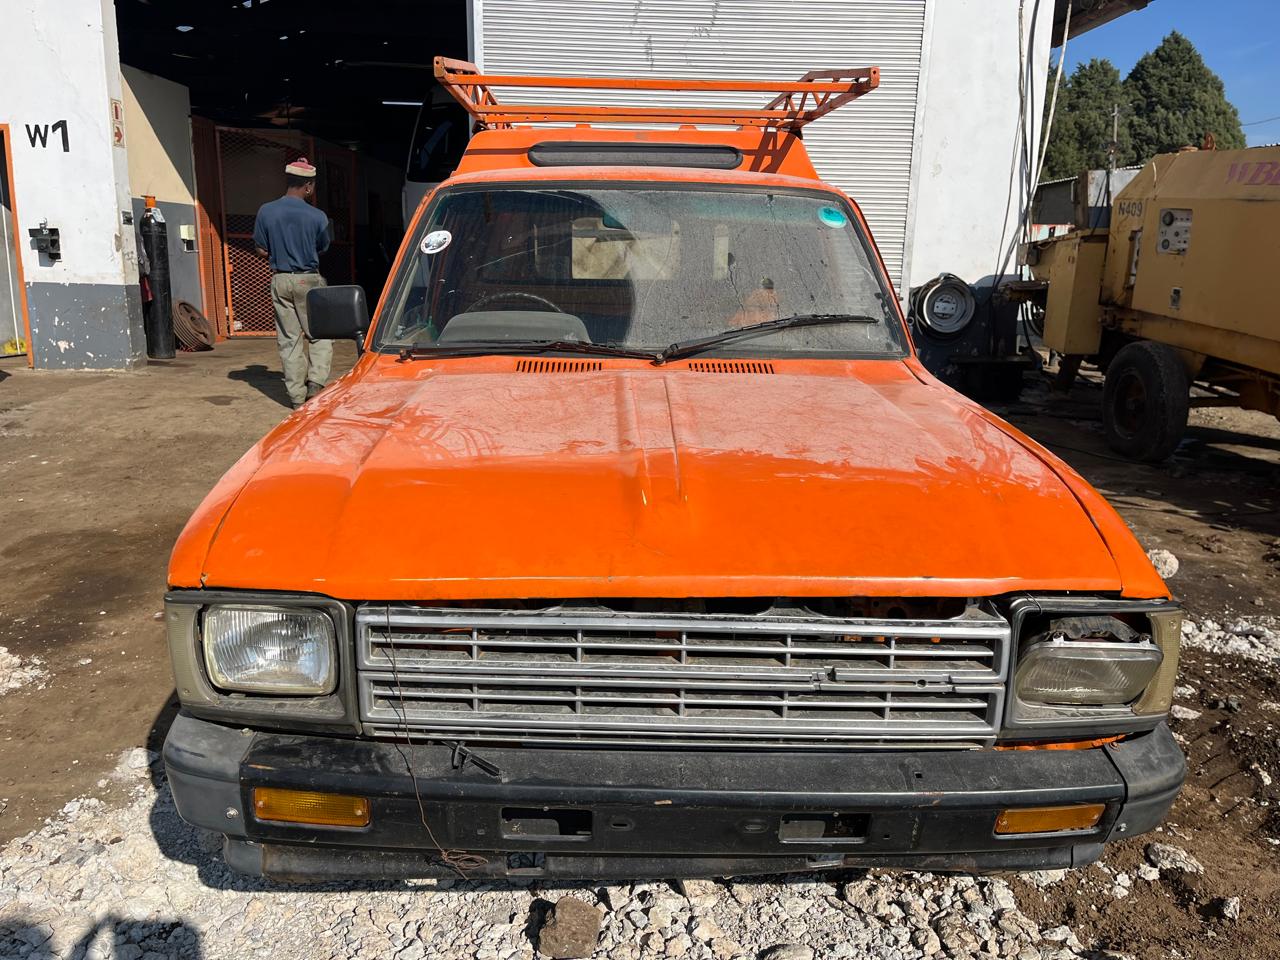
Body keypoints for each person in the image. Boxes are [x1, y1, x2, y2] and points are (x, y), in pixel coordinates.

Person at [253, 157, 332, 408]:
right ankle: (316, 384)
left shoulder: (266, 211)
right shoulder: (318, 216)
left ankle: (297, 399)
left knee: (290, 339)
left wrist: (278, 251)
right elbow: (322, 247)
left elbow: (261, 249)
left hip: (280, 279)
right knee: (320, 334)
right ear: (308, 187)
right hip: (309, 280)